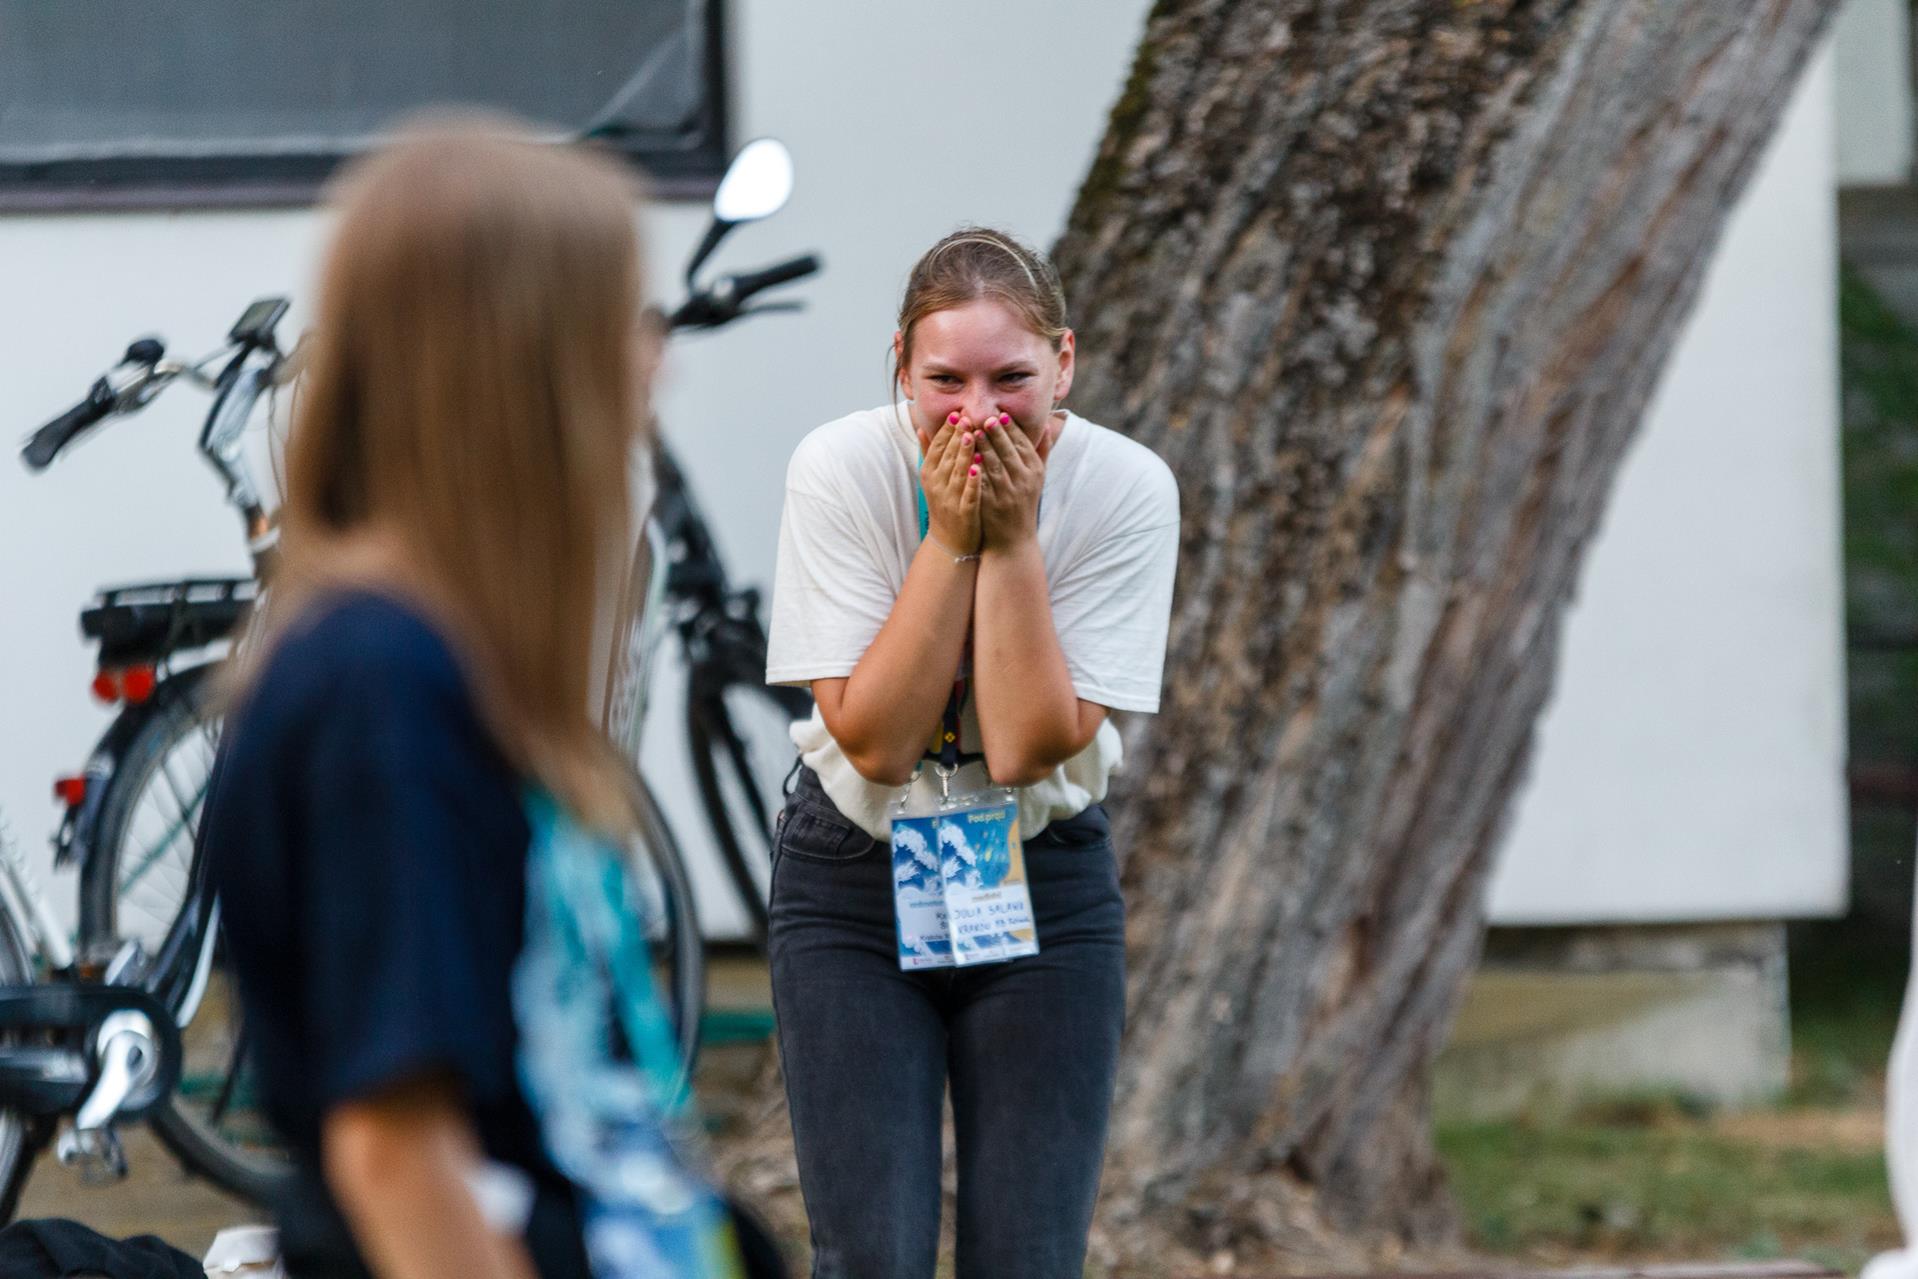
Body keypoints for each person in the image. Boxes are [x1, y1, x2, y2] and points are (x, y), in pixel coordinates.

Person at [198, 120, 772, 1279]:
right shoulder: (379, 687)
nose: (656, 365)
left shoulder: (450, 659)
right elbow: (398, 1157)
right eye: (622, 320)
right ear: (518, 362)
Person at [764, 227, 1181, 1278]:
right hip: (851, 879)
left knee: (1030, 1255)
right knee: (872, 1255)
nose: (979, 414)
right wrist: (952, 537)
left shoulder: (1125, 487)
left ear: (1065, 364)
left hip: (1044, 878)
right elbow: (874, 741)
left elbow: (1031, 743)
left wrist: (1015, 538)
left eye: (1012, 379)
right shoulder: (841, 467)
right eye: (945, 380)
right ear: (900, 366)